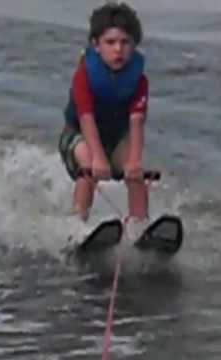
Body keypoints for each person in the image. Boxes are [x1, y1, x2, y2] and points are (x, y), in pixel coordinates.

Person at [58, 2, 149, 224]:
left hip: (115, 138)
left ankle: (140, 224)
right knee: (88, 163)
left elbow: (136, 122)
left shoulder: (139, 81)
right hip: (78, 136)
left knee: (135, 170)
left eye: (125, 42)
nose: (118, 49)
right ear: (96, 45)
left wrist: (134, 162)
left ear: (134, 46)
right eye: (110, 42)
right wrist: (99, 158)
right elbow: (86, 118)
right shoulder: (84, 76)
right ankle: (76, 223)